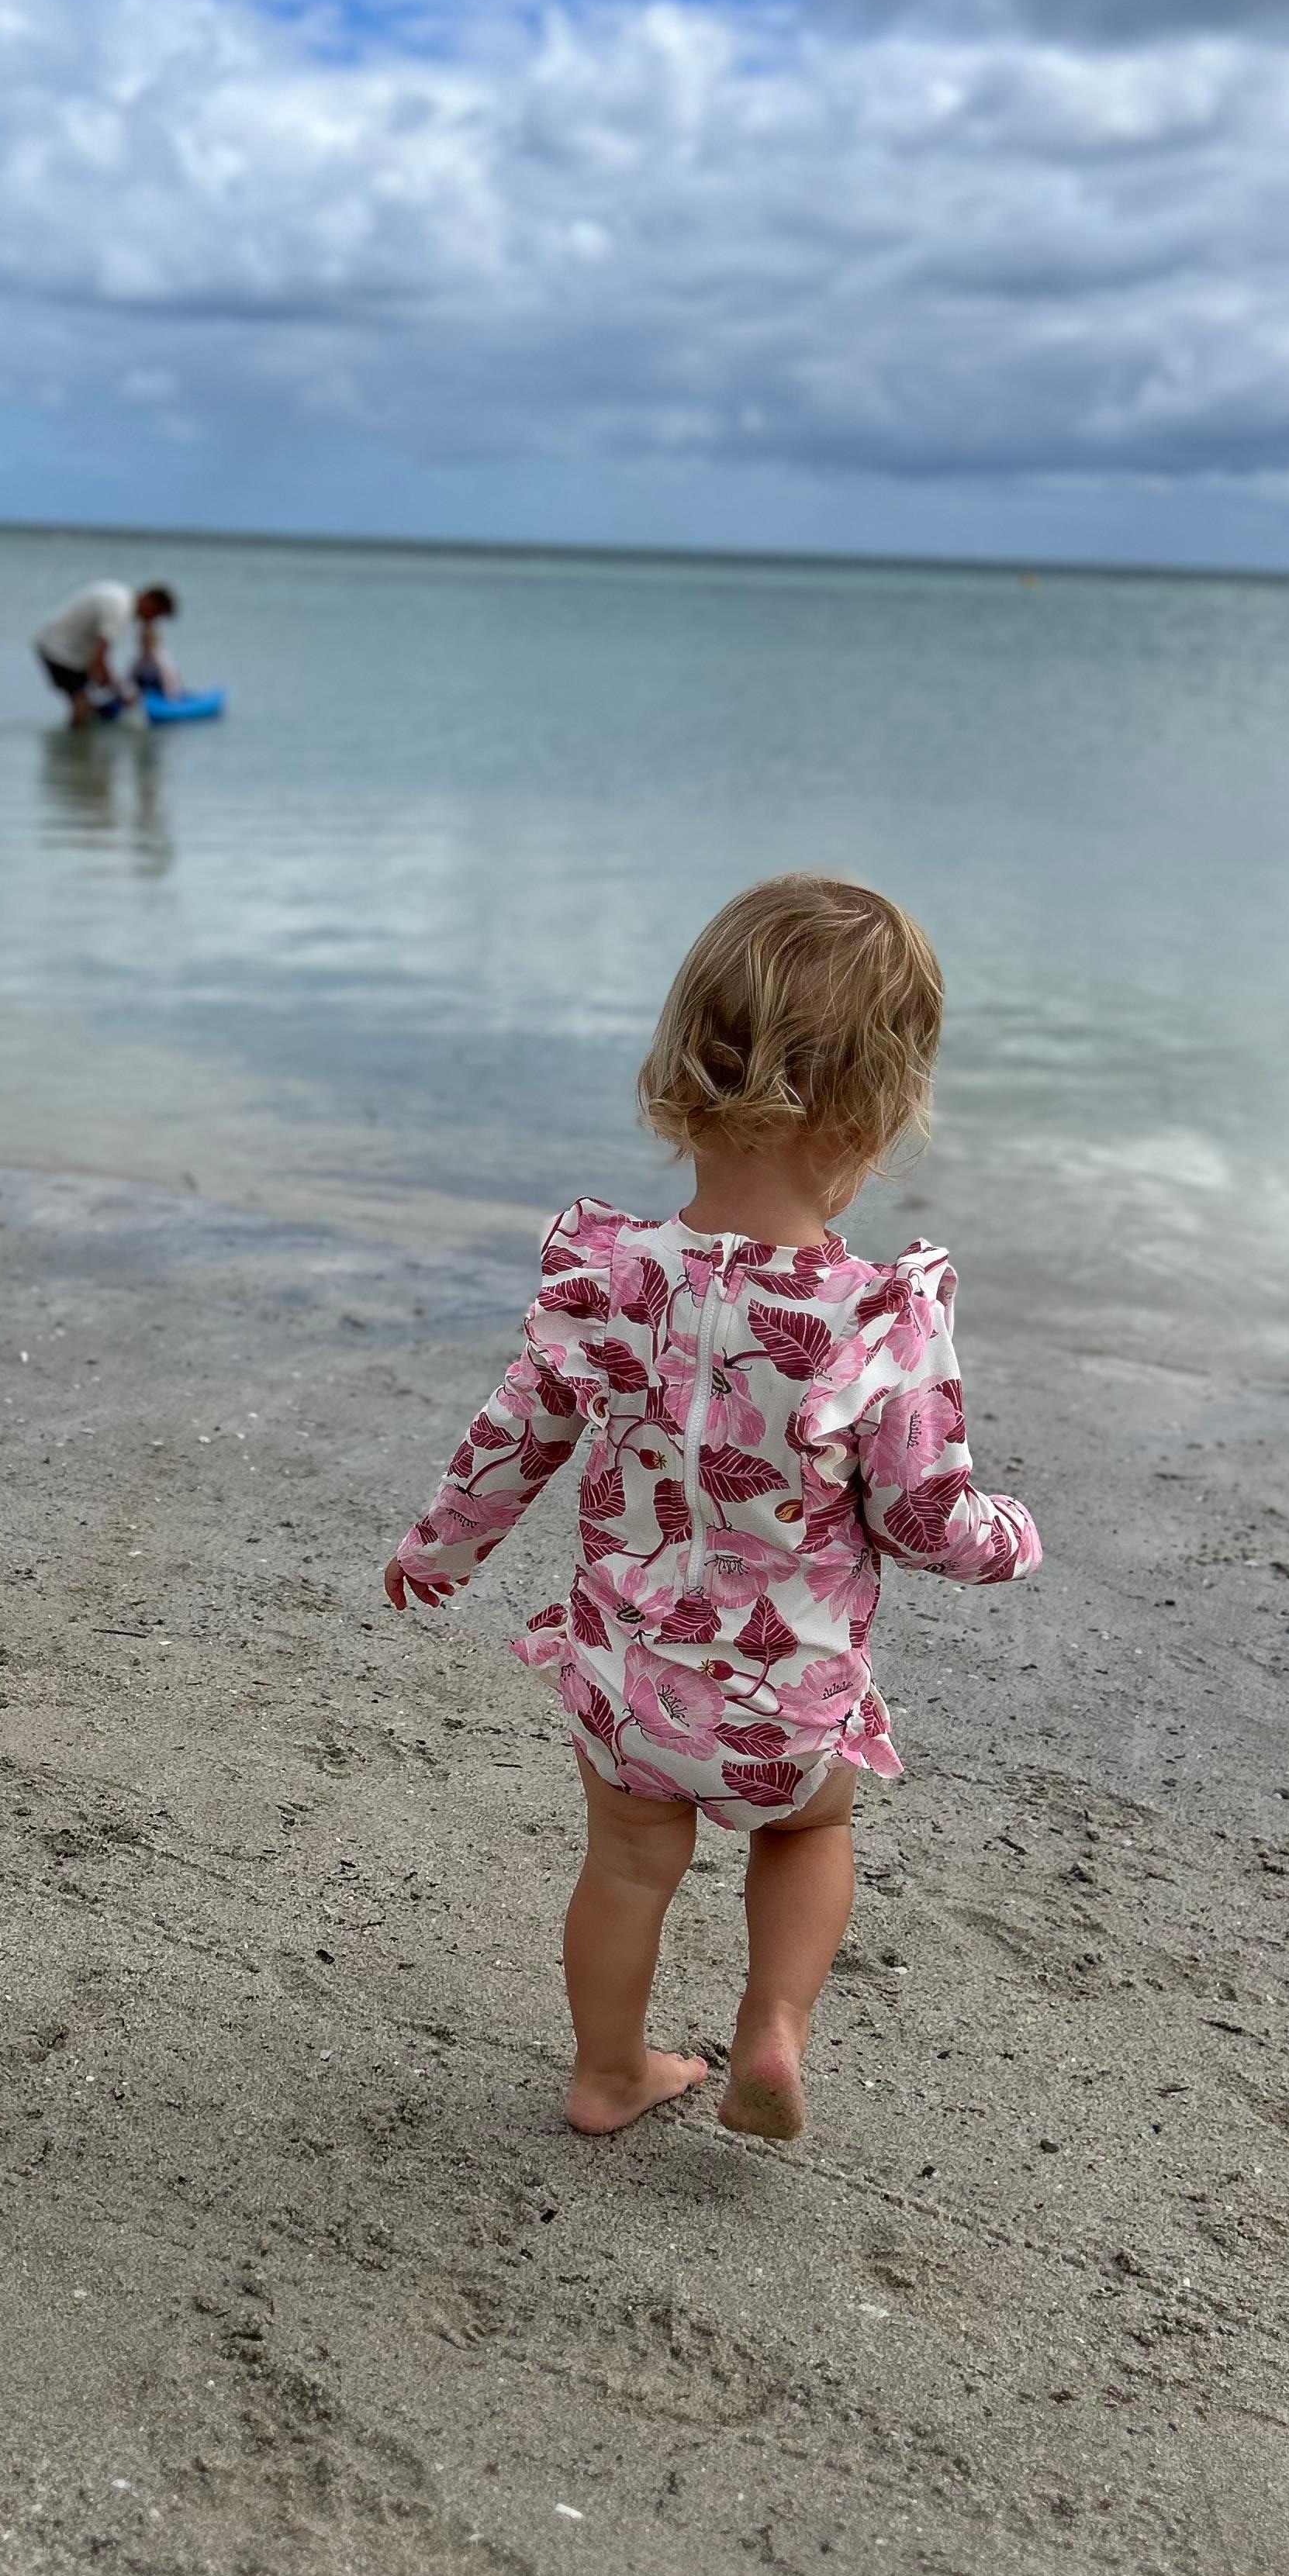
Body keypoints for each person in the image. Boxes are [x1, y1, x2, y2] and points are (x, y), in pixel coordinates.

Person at [383, 873, 1041, 2145]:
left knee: (627, 1865)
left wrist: (438, 1547)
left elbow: (515, 1437)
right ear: (877, 1115)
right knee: (808, 1834)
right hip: (785, 1698)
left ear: (683, 1063)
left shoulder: (606, 1278)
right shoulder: (873, 1321)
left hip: (629, 1680)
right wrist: (1008, 1537)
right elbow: (924, 1518)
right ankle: (771, 2027)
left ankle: (608, 2072)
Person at [33, 581, 176, 726]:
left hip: (70, 649)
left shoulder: (121, 597)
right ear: (150, 601)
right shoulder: (119, 609)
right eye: (155, 615)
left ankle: (80, 735)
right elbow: (100, 661)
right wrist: (123, 693)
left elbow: (98, 663)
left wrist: (109, 685)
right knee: (82, 701)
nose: (151, 620)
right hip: (60, 650)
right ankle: (78, 737)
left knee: (91, 699)